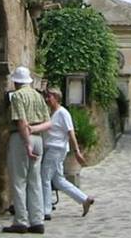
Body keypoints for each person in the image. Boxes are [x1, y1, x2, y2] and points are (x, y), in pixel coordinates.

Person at [4, 66, 52, 234]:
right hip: (38, 138)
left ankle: (21, 220)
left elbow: (21, 121)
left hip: (21, 138)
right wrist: (34, 130)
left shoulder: (17, 96)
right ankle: (37, 220)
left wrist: (27, 142)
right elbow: (49, 123)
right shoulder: (38, 96)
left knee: (19, 181)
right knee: (35, 181)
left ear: (16, 82)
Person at [41, 87, 95, 220]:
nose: (47, 99)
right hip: (53, 148)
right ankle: (84, 199)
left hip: (56, 148)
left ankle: (45, 210)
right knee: (58, 180)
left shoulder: (63, 113)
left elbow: (71, 133)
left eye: (49, 97)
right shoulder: (52, 113)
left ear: (56, 98)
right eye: (46, 96)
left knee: (44, 178)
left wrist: (77, 151)